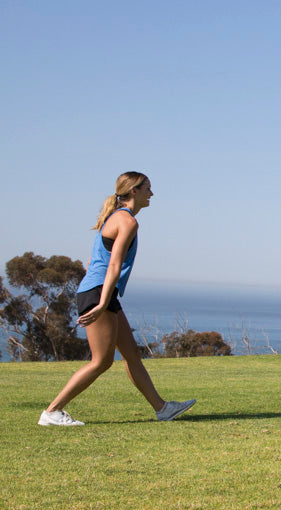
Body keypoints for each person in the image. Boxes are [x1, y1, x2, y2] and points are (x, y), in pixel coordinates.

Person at [39, 172, 197, 427]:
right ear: (134, 190)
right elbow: (113, 265)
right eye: (147, 188)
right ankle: (52, 411)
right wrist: (102, 303)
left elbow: (93, 261)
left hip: (103, 291)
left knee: (132, 354)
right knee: (101, 362)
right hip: (99, 293)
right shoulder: (126, 221)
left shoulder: (117, 217)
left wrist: (106, 297)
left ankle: (162, 409)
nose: (151, 194)